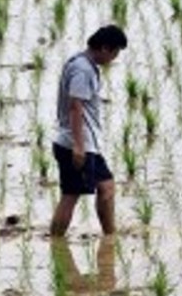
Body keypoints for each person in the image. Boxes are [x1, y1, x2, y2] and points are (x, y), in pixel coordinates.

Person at [49, 25, 128, 237]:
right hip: (75, 143)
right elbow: (76, 106)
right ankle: (55, 244)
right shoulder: (82, 69)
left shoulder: (81, 62)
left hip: (87, 143)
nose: (114, 57)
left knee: (107, 188)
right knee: (71, 195)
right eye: (115, 52)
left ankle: (110, 238)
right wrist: (78, 146)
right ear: (104, 48)